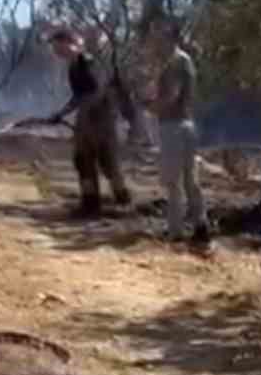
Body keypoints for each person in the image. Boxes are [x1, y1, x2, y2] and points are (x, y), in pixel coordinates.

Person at [141, 13, 210, 246]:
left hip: (174, 126)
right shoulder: (179, 61)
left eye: (157, 34)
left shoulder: (176, 62)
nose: (153, 39)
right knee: (190, 180)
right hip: (184, 125)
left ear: (168, 35)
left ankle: (176, 231)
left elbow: (171, 96)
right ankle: (201, 226)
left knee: (174, 182)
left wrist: (149, 106)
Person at [47, 27, 131, 217]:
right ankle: (90, 202)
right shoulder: (73, 67)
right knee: (83, 160)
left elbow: (99, 91)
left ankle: (123, 201)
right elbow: (78, 96)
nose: (56, 52)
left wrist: (85, 114)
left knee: (107, 162)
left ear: (68, 42)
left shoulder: (88, 62)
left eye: (57, 46)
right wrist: (61, 113)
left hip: (102, 119)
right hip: (87, 118)